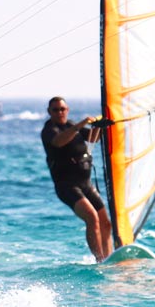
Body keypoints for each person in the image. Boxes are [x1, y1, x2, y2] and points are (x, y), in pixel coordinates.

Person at [40, 96, 113, 262]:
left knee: (105, 223)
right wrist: (81, 124)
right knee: (91, 217)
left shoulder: (71, 125)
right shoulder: (49, 130)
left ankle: (109, 258)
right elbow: (59, 142)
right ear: (49, 112)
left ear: (68, 110)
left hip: (86, 184)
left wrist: (100, 126)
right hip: (67, 186)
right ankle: (100, 260)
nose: (59, 112)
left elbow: (93, 138)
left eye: (62, 109)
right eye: (55, 110)